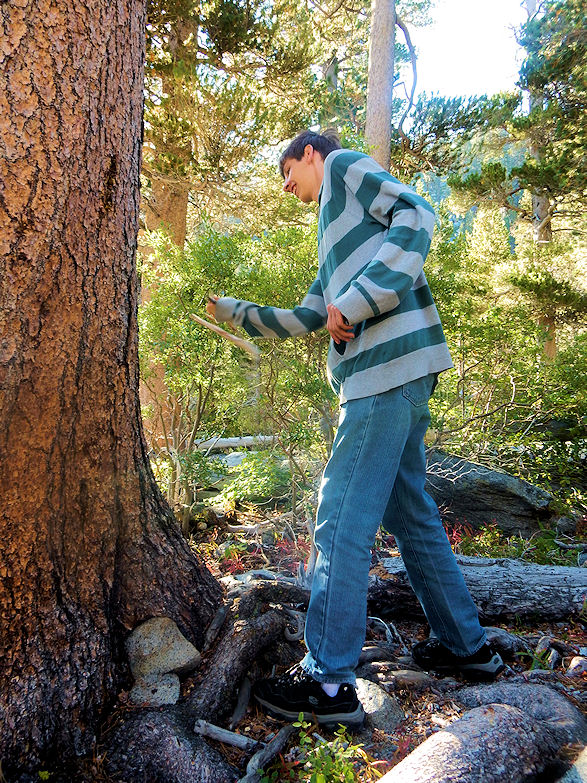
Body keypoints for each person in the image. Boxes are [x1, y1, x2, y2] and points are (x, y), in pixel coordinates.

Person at [207, 129, 504, 728]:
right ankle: (465, 647)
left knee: (339, 517)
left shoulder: (342, 167)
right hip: (401, 377)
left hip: (381, 377)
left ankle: (328, 679)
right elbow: (311, 315)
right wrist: (235, 311)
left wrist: (362, 299)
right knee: (410, 514)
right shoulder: (333, 236)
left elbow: (417, 215)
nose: (286, 187)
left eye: (288, 172)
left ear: (310, 154)